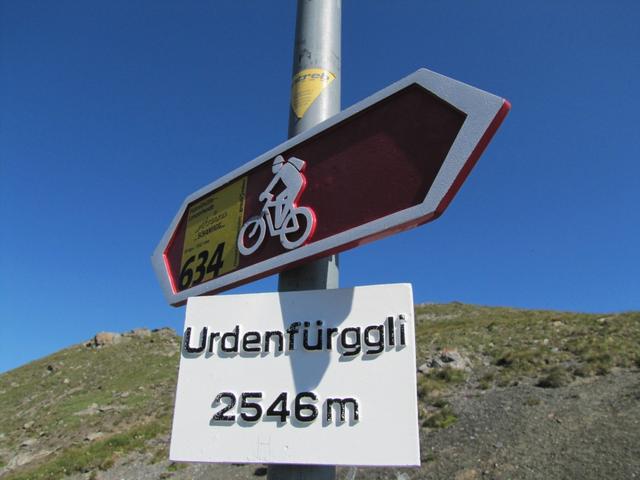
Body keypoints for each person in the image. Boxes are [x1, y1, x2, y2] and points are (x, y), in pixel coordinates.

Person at [259, 155, 307, 229]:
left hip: (296, 185)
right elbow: (273, 183)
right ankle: (280, 220)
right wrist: (266, 192)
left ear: (278, 164)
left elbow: (273, 183)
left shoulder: (284, 168)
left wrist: (265, 193)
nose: (273, 168)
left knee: (286, 201)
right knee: (279, 198)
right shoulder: (284, 169)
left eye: (274, 166)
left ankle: (280, 222)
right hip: (293, 186)